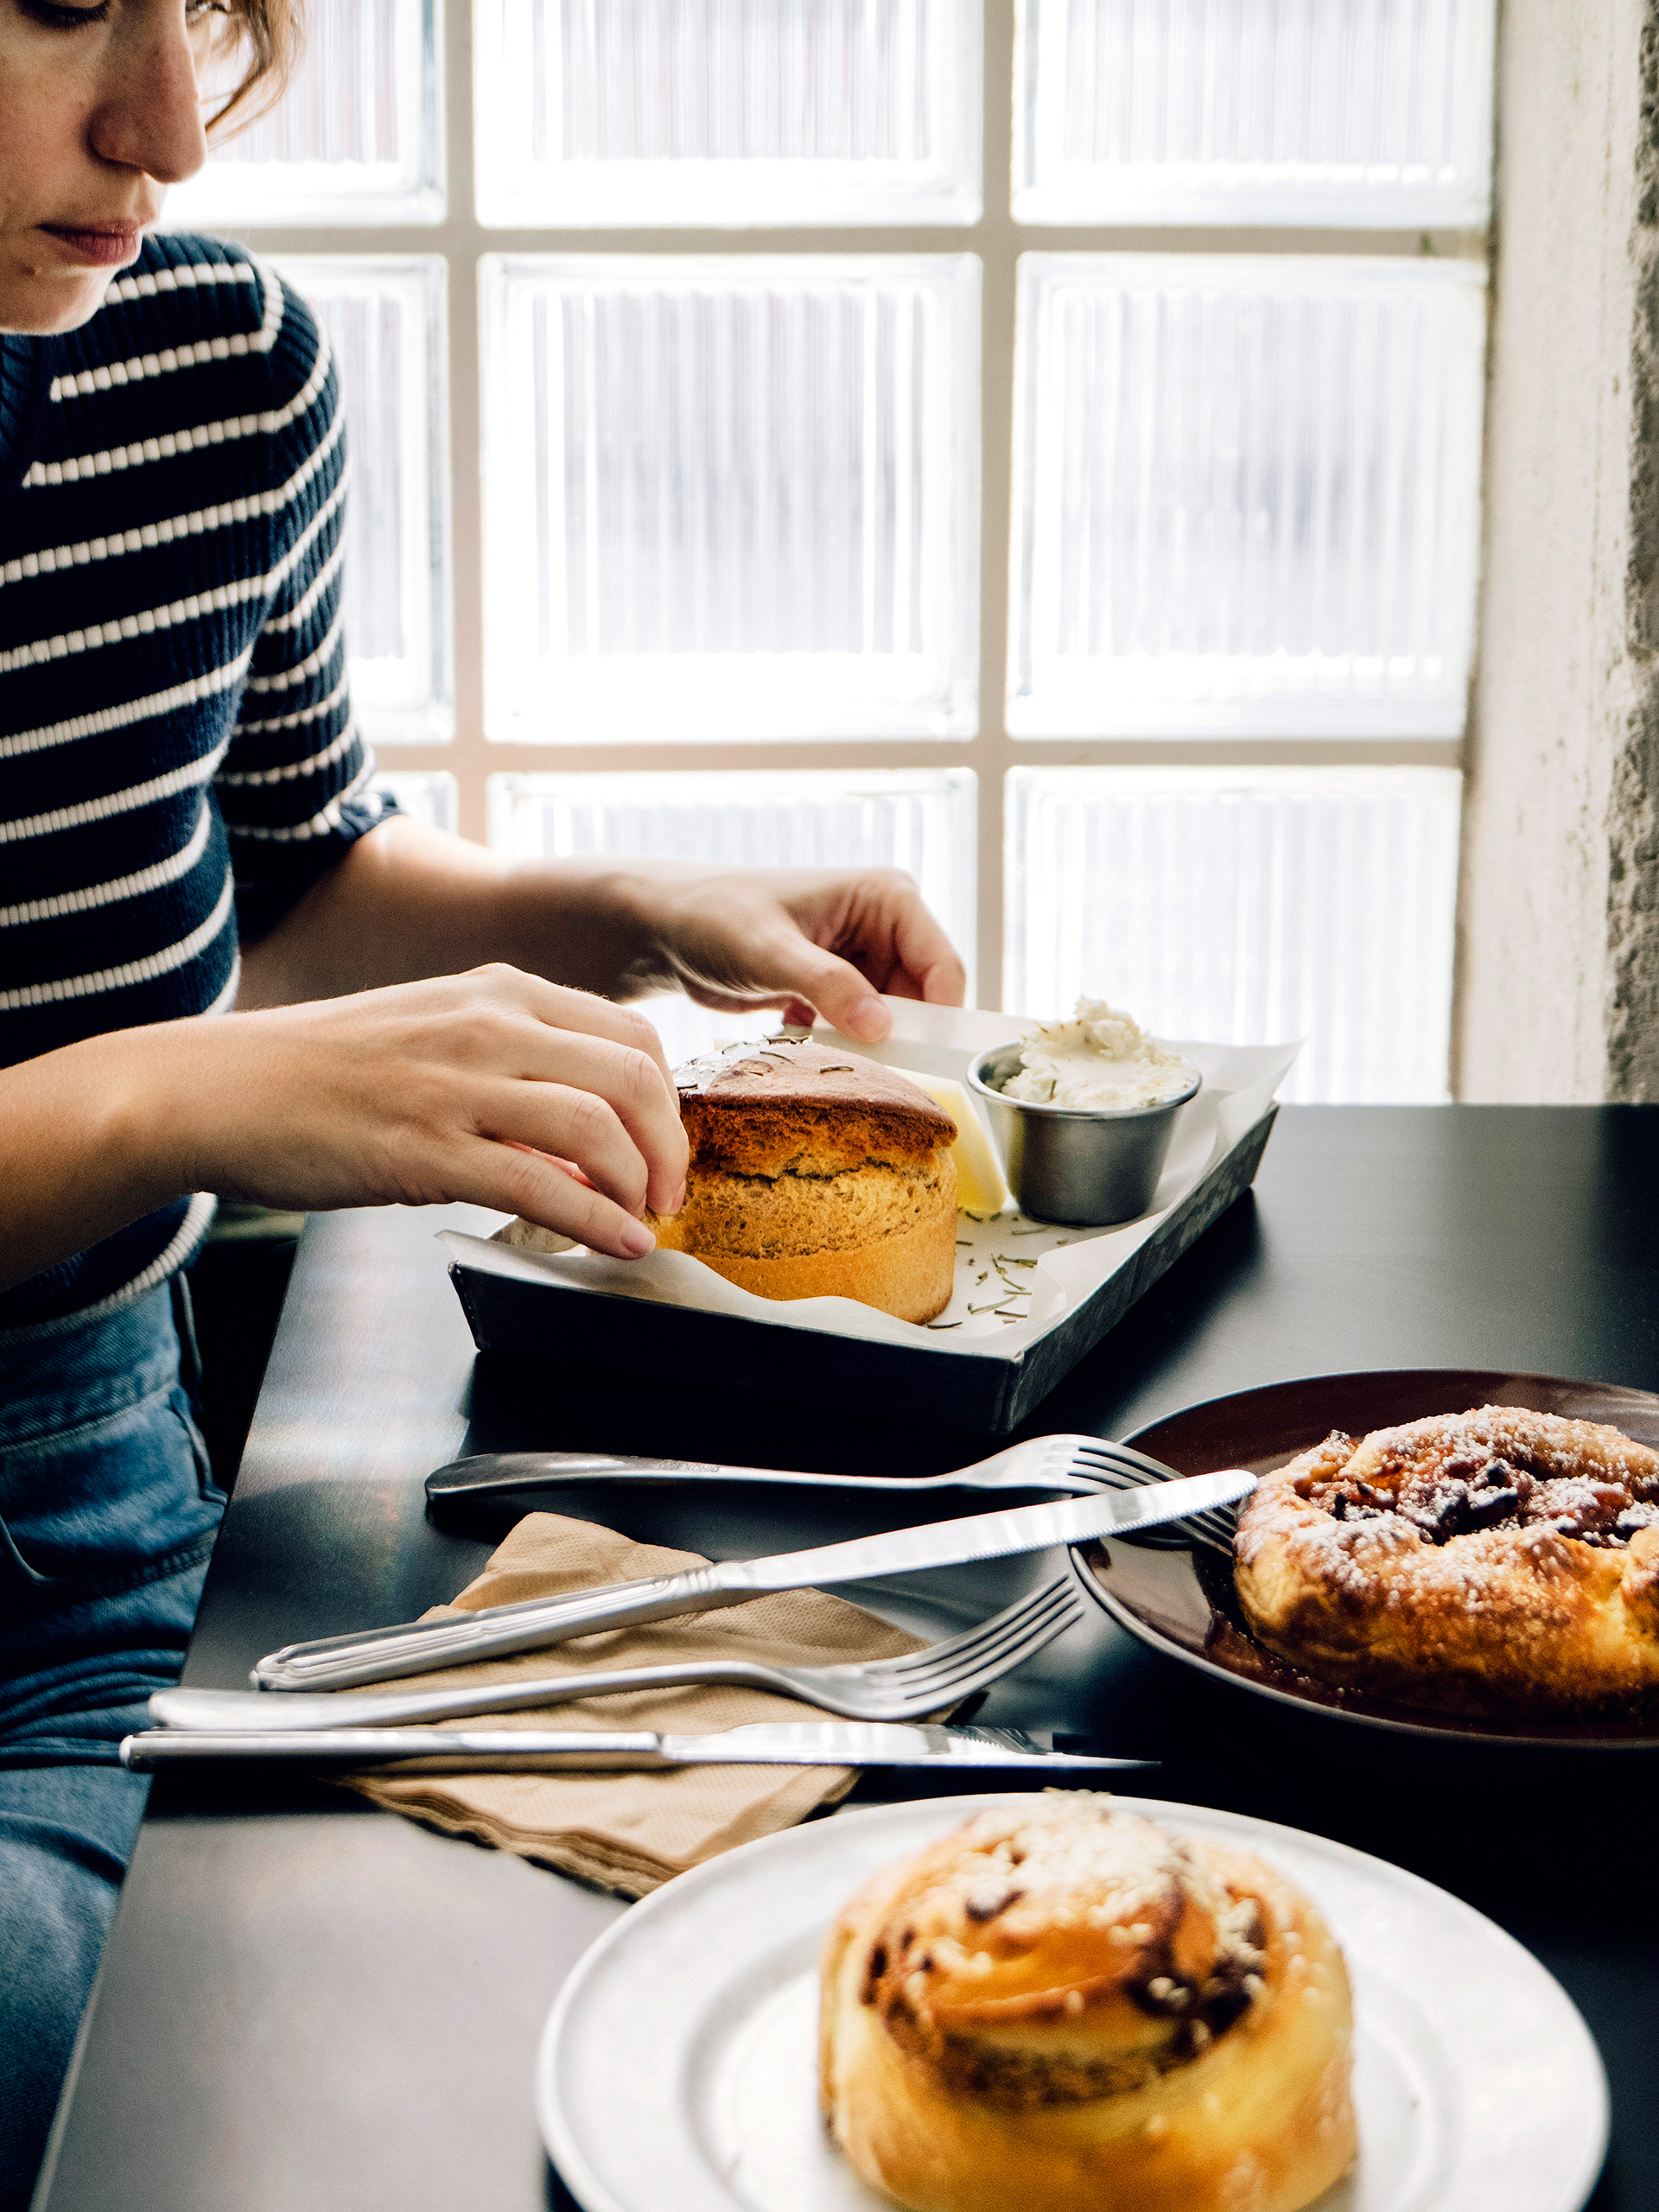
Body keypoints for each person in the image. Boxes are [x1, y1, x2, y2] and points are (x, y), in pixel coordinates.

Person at [0, 2, 966, 2198]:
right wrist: (175, 1095)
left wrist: (629, 903)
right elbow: (187, 1051)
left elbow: (284, 875)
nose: (167, 132)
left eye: (209, 14)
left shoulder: (213, 364)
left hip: (81, 1515)